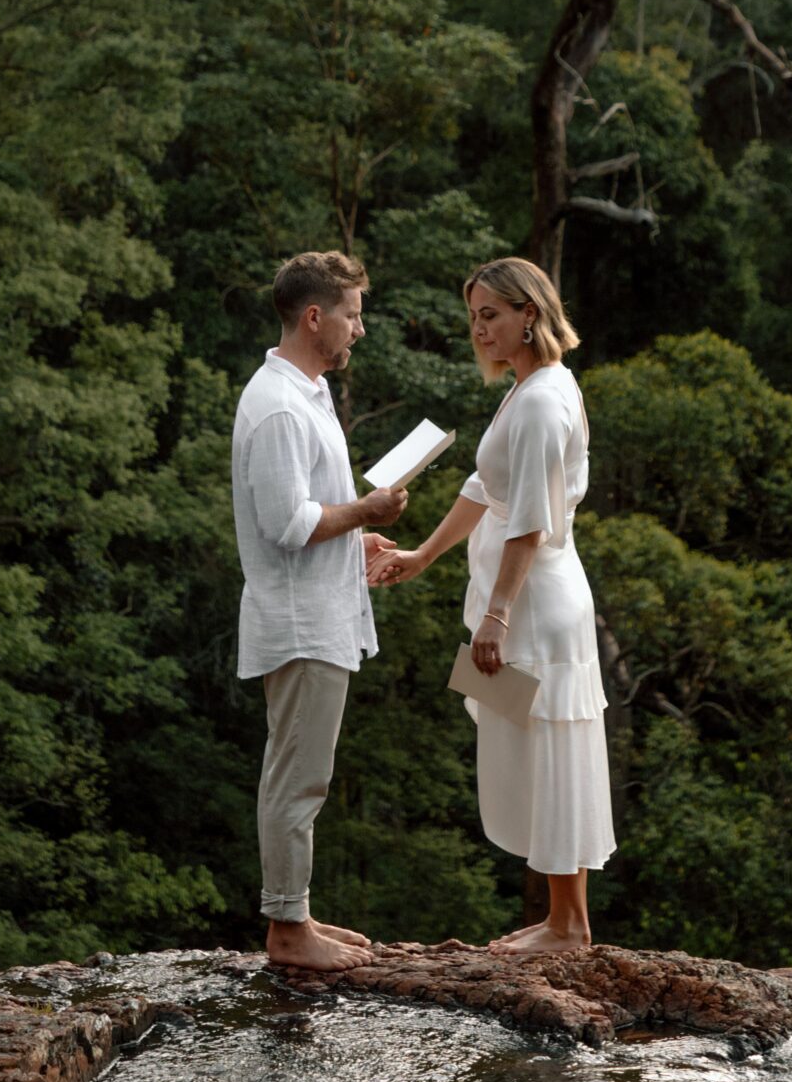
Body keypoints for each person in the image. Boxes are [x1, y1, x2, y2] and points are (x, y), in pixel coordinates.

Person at [369, 257, 613, 955]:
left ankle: (569, 926)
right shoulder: (529, 387)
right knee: (529, 754)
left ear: (528, 314)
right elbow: (484, 488)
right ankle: (559, 917)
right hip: (522, 595)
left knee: (551, 748)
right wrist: (422, 554)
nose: (479, 330)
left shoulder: (539, 399)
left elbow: (529, 520)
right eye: (473, 317)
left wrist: (497, 614)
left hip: (533, 601)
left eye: (491, 315)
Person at [232, 249, 407, 972]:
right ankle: (285, 931)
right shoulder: (275, 405)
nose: (357, 330)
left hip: (322, 611)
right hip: (300, 622)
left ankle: (295, 910)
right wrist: (364, 506)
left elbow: (309, 515)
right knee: (296, 776)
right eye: (351, 314)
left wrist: (356, 533)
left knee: (308, 773)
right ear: (314, 317)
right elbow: (286, 523)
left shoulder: (307, 392)